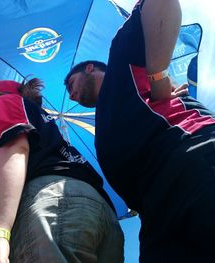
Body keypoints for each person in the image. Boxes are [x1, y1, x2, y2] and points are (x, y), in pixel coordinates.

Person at [65, 0, 215, 262]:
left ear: (90, 68)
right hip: (156, 214)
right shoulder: (105, 116)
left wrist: (157, 76)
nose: (73, 95)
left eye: (72, 85)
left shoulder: (122, 66)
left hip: (193, 164)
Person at [0, 78, 124, 263]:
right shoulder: (44, 125)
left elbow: (14, 150)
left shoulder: (4, 102)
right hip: (101, 211)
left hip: (47, 201)